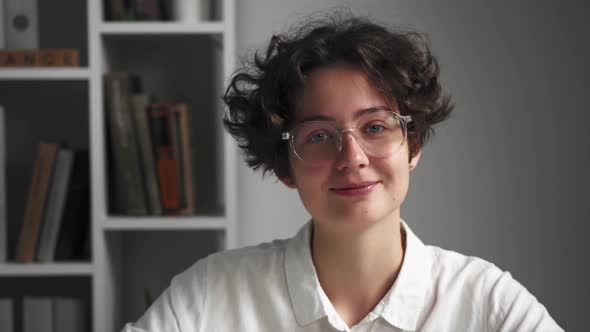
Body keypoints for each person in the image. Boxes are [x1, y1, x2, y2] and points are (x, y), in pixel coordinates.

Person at [122, 14, 563, 332]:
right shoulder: (208, 298)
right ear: (284, 167)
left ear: (413, 145)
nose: (351, 156)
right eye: (318, 135)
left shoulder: (487, 303)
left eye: (375, 127)